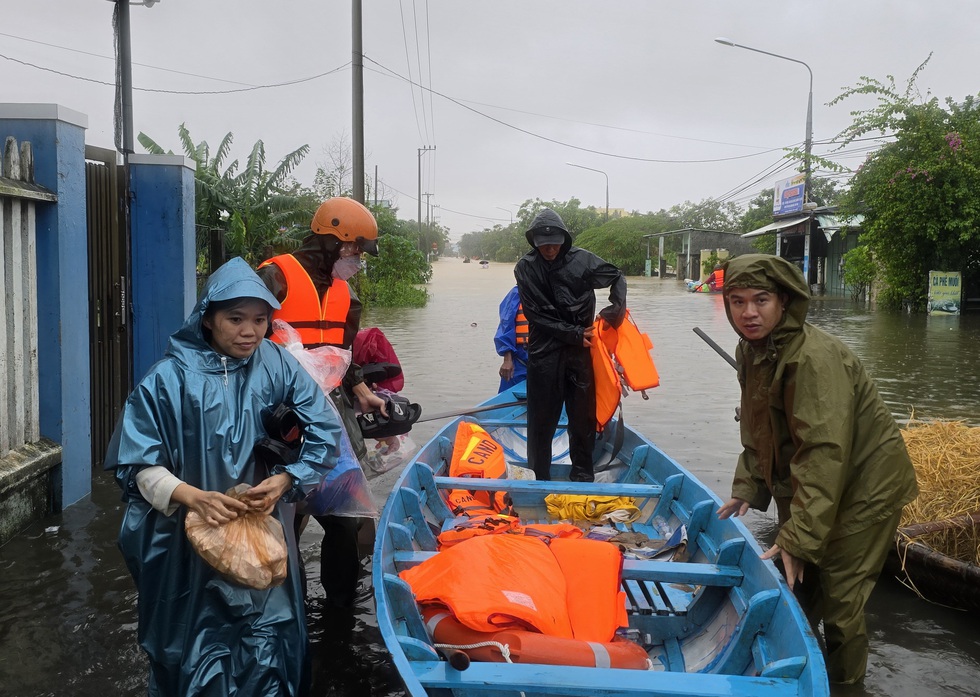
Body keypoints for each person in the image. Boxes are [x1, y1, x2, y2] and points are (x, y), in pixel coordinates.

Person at [105, 257, 342, 696]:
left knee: (269, 633)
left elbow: (325, 431)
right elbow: (134, 463)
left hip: (264, 530)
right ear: (208, 319)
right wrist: (190, 496)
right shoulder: (167, 381)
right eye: (235, 319)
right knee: (196, 638)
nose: (249, 331)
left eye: (259, 319)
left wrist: (288, 478)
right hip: (187, 539)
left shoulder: (279, 366)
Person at [715, 253, 918, 686]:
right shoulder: (752, 351)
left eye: (761, 300)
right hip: (817, 487)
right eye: (737, 301)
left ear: (784, 302)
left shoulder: (813, 359)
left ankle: (847, 686)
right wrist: (748, 483)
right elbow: (758, 428)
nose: (748, 313)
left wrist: (800, 536)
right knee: (797, 594)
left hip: (864, 488)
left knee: (843, 607)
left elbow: (823, 452)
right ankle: (793, 678)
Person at [256, 196, 387, 610]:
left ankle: (339, 610)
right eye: (354, 251)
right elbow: (237, 336)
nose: (356, 261)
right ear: (334, 241)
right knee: (281, 515)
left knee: (345, 518)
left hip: (330, 412)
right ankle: (278, 605)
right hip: (276, 411)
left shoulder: (346, 292)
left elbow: (344, 351)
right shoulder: (275, 276)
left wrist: (361, 389)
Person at [514, 208, 626, 482]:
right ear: (534, 242)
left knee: (582, 418)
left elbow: (617, 276)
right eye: (543, 245)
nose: (550, 249)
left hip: (580, 351)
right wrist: (574, 333)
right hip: (545, 351)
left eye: (554, 243)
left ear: (565, 239)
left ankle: (583, 475)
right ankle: (539, 477)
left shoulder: (583, 260)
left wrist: (614, 311)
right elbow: (535, 315)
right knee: (541, 420)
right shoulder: (525, 267)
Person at [494, 285, 529, 392]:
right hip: (520, 357)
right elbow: (506, 324)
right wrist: (507, 360)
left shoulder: (555, 291)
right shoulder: (517, 293)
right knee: (510, 391)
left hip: (549, 358)